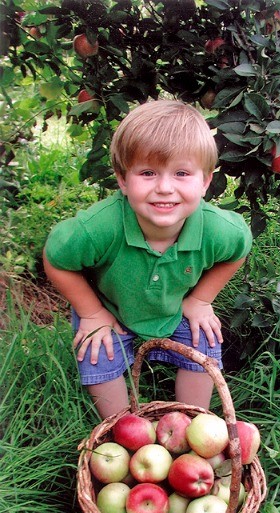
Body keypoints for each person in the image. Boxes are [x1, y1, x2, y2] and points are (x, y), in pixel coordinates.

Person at [43, 100, 252, 419]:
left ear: (206, 181)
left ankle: (194, 424)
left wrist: (200, 299)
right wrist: (91, 312)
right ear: (124, 180)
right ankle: (122, 429)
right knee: (99, 354)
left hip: (174, 304)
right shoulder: (99, 228)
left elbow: (239, 249)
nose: (165, 188)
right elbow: (57, 258)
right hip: (110, 309)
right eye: (148, 173)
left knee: (204, 345)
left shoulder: (217, 230)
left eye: (182, 173)